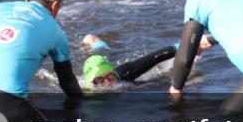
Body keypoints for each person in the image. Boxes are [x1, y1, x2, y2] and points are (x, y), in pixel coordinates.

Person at [79, 34, 212, 88]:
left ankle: (92, 40)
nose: (108, 83)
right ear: (90, 82)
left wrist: (188, 46)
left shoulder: (124, 73)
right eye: (99, 81)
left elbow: (155, 57)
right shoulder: (81, 91)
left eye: (110, 76)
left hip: (108, 56)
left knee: (94, 41)